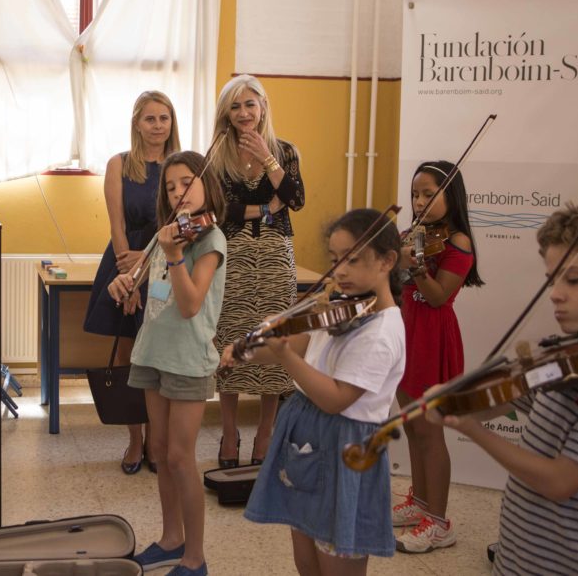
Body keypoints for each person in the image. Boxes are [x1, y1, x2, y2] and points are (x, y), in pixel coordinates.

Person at [430, 200, 578, 576]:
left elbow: (560, 481)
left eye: (572, 279)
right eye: (552, 279)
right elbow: (507, 400)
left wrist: (471, 429)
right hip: (520, 559)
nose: (555, 293)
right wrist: (461, 400)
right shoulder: (569, 359)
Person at [223, 208, 405, 576]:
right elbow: (301, 342)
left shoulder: (381, 333)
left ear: (387, 261)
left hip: (345, 446)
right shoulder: (341, 311)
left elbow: (336, 398)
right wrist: (245, 352)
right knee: (306, 558)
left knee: (336, 559)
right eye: (335, 259)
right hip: (308, 437)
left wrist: (284, 355)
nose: (339, 271)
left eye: (353, 260)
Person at [107, 151, 227, 576]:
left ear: (207, 186)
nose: (178, 191)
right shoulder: (165, 235)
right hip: (153, 353)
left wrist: (175, 255)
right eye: (171, 186)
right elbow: (142, 287)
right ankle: (170, 538)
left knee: (180, 457)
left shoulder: (209, 240)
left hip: (188, 360)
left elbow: (192, 304)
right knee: (159, 450)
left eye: (186, 182)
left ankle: (194, 557)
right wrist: (123, 284)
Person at [210, 74, 305, 468]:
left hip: (274, 260)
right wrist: (266, 208)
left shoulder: (284, 150)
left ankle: (265, 431)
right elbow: (219, 211)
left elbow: (295, 198)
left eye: (251, 104)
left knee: (271, 340)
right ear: (226, 114)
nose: (244, 112)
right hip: (231, 259)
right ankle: (229, 431)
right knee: (229, 339)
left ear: (263, 106)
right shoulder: (216, 154)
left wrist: (268, 159)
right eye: (236, 106)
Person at [84, 91, 180, 474]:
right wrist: (127, 277)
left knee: (157, 356)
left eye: (164, 118)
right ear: (137, 123)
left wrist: (149, 261)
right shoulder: (119, 164)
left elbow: (181, 225)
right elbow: (117, 224)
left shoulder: (181, 166)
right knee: (127, 356)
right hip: (125, 262)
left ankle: (159, 442)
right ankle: (135, 441)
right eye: (150, 119)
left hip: (164, 265)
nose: (158, 126)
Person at [393, 160, 483, 553]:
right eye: (415, 194)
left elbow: (438, 296)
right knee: (412, 426)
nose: (419, 201)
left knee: (430, 432)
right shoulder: (415, 235)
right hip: (406, 333)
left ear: (451, 195)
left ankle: (439, 522)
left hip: (432, 338)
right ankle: (422, 503)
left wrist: (413, 269)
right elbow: (397, 289)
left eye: (429, 193)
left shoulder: (457, 241)